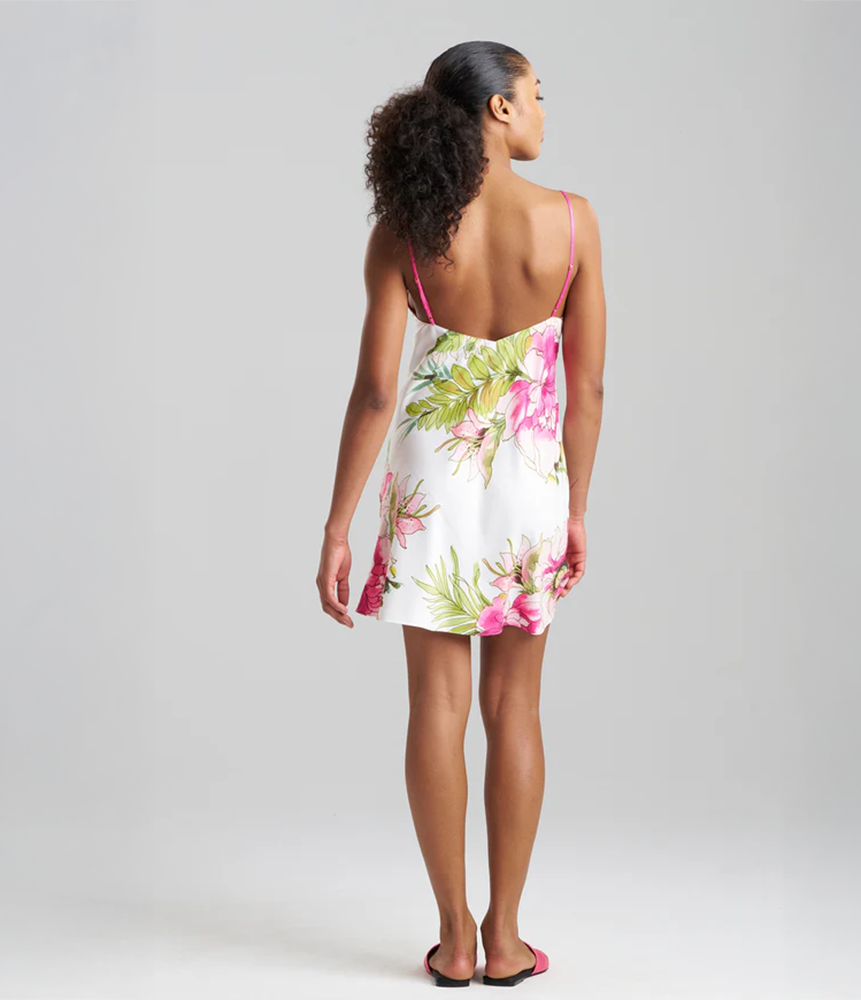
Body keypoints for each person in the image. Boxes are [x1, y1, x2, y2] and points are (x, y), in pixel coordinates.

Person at [317, 40, 605, 987]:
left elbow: (374, 392)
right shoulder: (572, 222)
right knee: (515, 706)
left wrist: (338, 527)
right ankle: (508, 938)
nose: (543, 110)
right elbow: (588, 388)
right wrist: (576, 507)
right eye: (535, 94)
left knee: (435, 707)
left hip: (430, 487)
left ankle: (453, 938)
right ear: (497, 109)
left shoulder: (406, 228)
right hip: (529, 483)